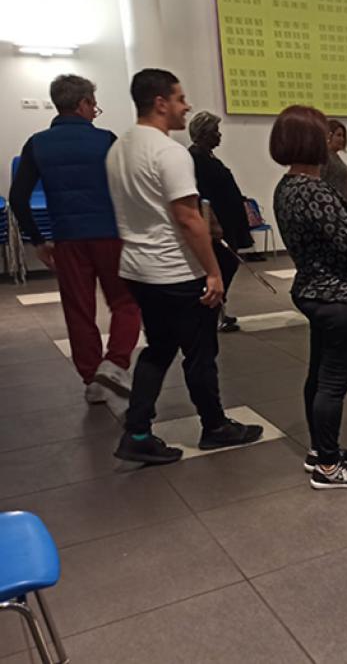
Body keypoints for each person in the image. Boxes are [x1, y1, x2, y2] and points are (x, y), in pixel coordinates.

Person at [106, 69, 263, 464]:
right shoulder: (168, 152)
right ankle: (215, 427)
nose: (186, 106)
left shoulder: (118, 148)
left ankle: (137, 431)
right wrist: (212, 272)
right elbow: (189, 218)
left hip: (138, 269)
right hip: (175, 271)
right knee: (200, 351)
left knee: (158, 349)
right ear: (160, 102)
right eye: (180, 98)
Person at [9, 75, 140, 404]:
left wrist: (38, 240)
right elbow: (128, 189)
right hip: (110, 236)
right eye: (93, 104)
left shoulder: (37, 143)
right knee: (126, 302)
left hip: (67, 239)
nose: (95, 110)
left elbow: (18, 197)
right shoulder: (107, 140)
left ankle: (91, 380)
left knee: (79, 310)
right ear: (82, 103)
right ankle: (115, 363)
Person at [271, 105, 347, 489]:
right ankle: (329, 467)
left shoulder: (286, 187)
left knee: (319, 375)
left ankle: (322, 450)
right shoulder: (315, 192)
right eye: (323, 134)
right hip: (338, 297)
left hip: (311, 290)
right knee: (334, 383)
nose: (329, 140)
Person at [188, 111, 253, 333]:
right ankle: (211, 313)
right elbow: (201, 195)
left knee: (227, 267)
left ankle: (218, 311)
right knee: (223, 267)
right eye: (215, 131)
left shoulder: (208, 157)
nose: (219, 135)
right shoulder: (196, 158)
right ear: (204, 134)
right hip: (216, 226)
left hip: (227, 221)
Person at [320, 119, 347, 205]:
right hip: (333, 209)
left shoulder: (335, 157)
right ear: (328, 136)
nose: (342, 139)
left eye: (343, 136)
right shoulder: (325, 157)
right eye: (338, 135)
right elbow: (319, 181)